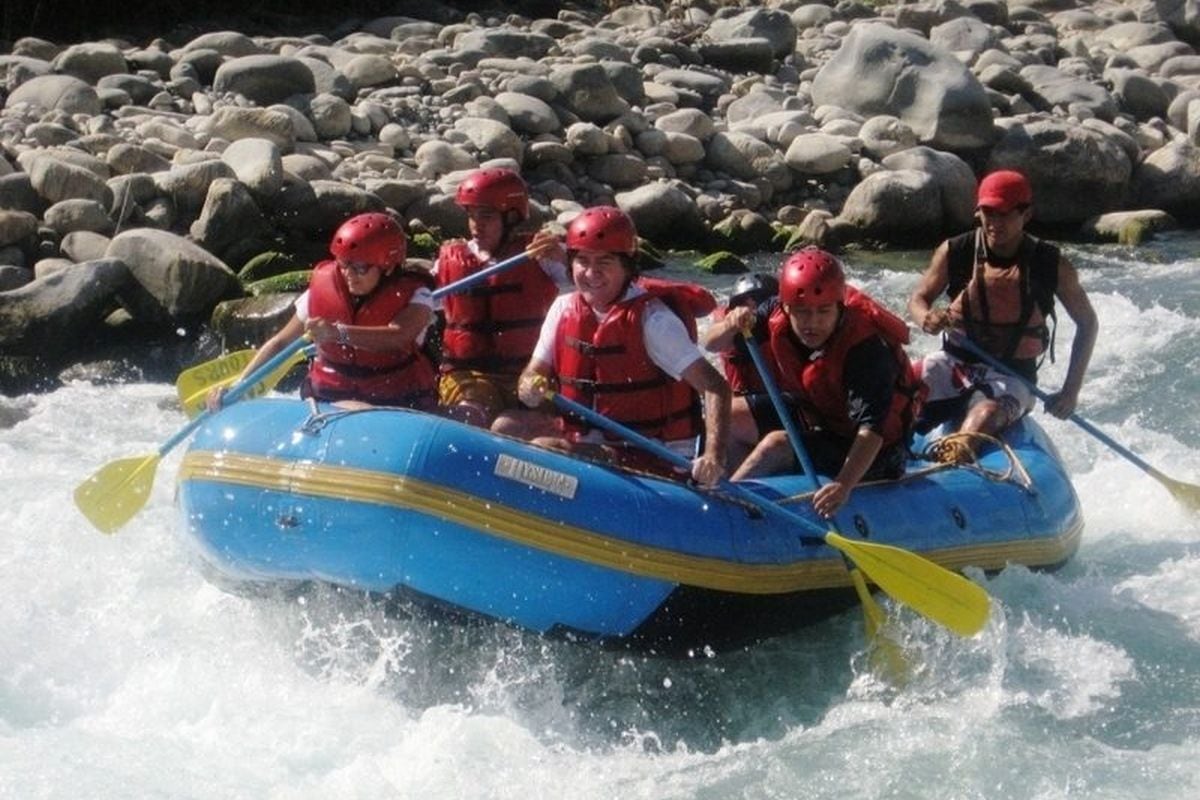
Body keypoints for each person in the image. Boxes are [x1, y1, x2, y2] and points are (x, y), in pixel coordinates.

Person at [492, 206, 731, 487]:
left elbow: (715, 386)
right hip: (588, 438)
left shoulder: (653, 321)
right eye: (582, 261)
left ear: (627, 266)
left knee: (546, 448)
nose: (591, 273)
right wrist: (529, 387)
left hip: (652, 453)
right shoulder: (563, 308)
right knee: (505, 426)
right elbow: (532, 374)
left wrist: (714, 456)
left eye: (604, 262)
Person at [907, 169, 1099, 461]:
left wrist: (1070, 392)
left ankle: (952, 466)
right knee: (896, 392)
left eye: (1005, 214)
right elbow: (919, 299)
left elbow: (1087, 323)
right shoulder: (955, 250)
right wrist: (926, 317)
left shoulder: (1050, 264)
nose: (994, 223)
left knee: (985, 414)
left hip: (1012, 376)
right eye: (988, 213)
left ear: (1027, 214)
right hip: (954, 364)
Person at [731, 248, 921, 519]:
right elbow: (712, 342)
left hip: (879, 452)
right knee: (731, 413)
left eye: (823, 311)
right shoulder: (773, 310)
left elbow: (872, 432)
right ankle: (722, 489)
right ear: (785, 307)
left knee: (777, 444)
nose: (813, 323)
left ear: (839, 307)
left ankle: (727, 508)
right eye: (802, 312)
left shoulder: (864, 348)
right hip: (822, 417)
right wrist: (731, 323)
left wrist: (842, 485)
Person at [208, 212, 437, 411]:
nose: (349, 274)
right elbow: (280, 343)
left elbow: (399, 336)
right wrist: (238, 386)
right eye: (344, 264)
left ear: (388, 266)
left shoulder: (418, 296)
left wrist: (337, 333)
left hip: (397, 402)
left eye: (360, 268)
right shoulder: (322, 291)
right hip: (327, 399)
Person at [434, 167, 570, 427]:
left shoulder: (540, 255)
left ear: (511, 217)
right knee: (471, 415)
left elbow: (589, 294)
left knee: (512, 425)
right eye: (471, 216)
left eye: (486, 216)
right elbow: (421, 305)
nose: (476, 225)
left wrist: (564, 258)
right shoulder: (448, 260)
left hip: (529, 374)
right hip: (469, 375)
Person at [700, 271, 780, 466]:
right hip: (752, 409)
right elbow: (709, 342)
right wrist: (731, 325)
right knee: (714, 416)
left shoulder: (784, 326)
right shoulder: (731, 327)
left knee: (730, 414)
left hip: (788, 406)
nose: (750, 308)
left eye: (759, 301)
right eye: (742, 302)